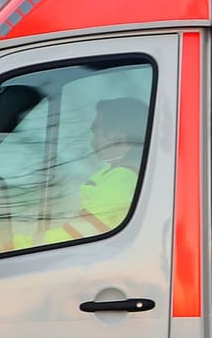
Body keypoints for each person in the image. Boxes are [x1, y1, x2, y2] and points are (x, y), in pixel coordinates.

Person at [15, 97, 148, 249]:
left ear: (117, 134)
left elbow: (78, 235)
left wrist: (15, 245)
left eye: (96, 132)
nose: (92, 142)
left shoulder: (123, 180)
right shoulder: (118, 173)